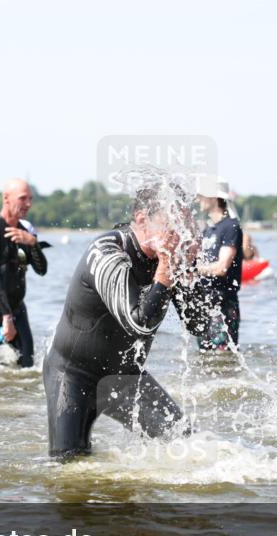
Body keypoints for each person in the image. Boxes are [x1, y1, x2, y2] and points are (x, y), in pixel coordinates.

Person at [43, 182, 200, 459]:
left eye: (184, 226)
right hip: (74, 375)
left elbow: (198, 325)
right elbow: (138, 323)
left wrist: (189, 275)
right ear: (142, 220)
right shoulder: (108, 252)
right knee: (69, 468)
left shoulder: (167, 254)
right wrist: (166, 270)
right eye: (173, 225)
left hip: (125, 376)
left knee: (188, 445)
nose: (180, 235)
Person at [0, 178, 47, 367]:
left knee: (28, 366)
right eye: (23, 199)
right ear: (6, 198)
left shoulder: (25, 233)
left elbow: (41, 270)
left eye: (30, 199)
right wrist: (6, 317)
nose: (28, 204)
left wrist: (32, 244)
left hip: (17, 308)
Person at [192, 179, 244, 351]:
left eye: (201, 196)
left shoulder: (231, 227)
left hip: (223, 303)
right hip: (205, 301)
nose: (198, 199)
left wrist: (193, 269)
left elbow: (222, 268)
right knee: (204, 357)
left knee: (221, 358)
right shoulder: (209, 229)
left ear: (213, 197)